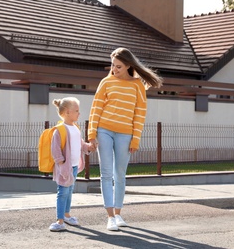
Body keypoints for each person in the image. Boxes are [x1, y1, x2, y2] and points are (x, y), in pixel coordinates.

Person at [88, 47, 163, 231]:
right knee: (106, 174)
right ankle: (110, 217)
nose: (114, 70)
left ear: (128, 65)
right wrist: (91, 134)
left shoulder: (137, 85)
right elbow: (96, 108)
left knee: (119, 174)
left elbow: (139, 114)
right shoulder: (106, 82)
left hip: (125, 134)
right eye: (112, 66)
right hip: (104, 130)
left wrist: (135, 139)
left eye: (118, 66)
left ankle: (119, 213)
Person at [49, 97, 94, 232]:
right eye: (76, 111)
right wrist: (62, 164)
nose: (79, 113)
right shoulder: (60, 129)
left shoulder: (75, 128)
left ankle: (67, 215)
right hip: (65, 168)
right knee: (62, 192)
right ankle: (59, 220)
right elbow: (55, 149)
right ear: (67, 112)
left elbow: (80, 144)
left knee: (69, 192)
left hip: (73, 167)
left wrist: (88, 147)